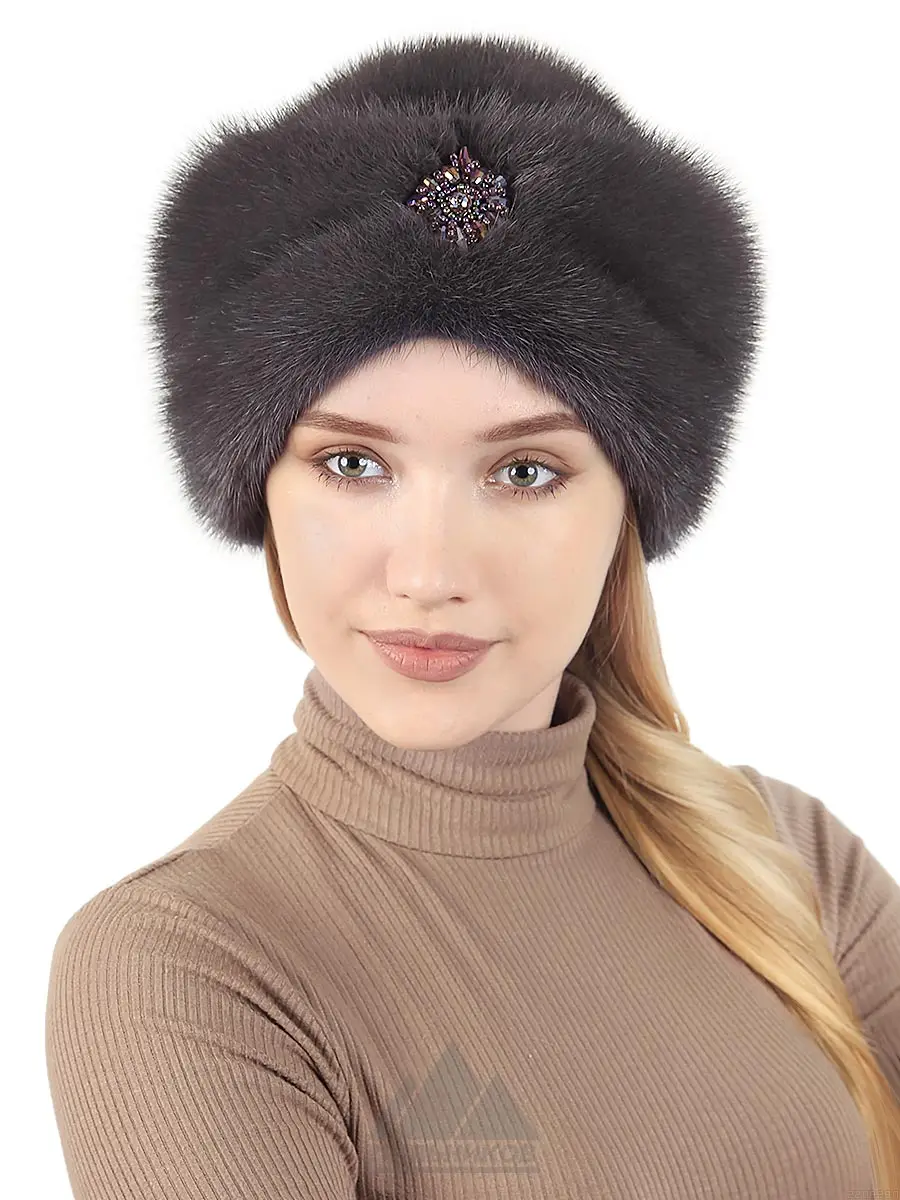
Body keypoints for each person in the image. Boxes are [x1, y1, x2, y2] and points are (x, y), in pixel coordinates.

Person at [45, 32, 900, 1200]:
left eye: (525, 471)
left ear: (628, 506)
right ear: (262, 492)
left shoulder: (783, 860)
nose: (428, 571)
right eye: (352, 463)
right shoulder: (190, 965)